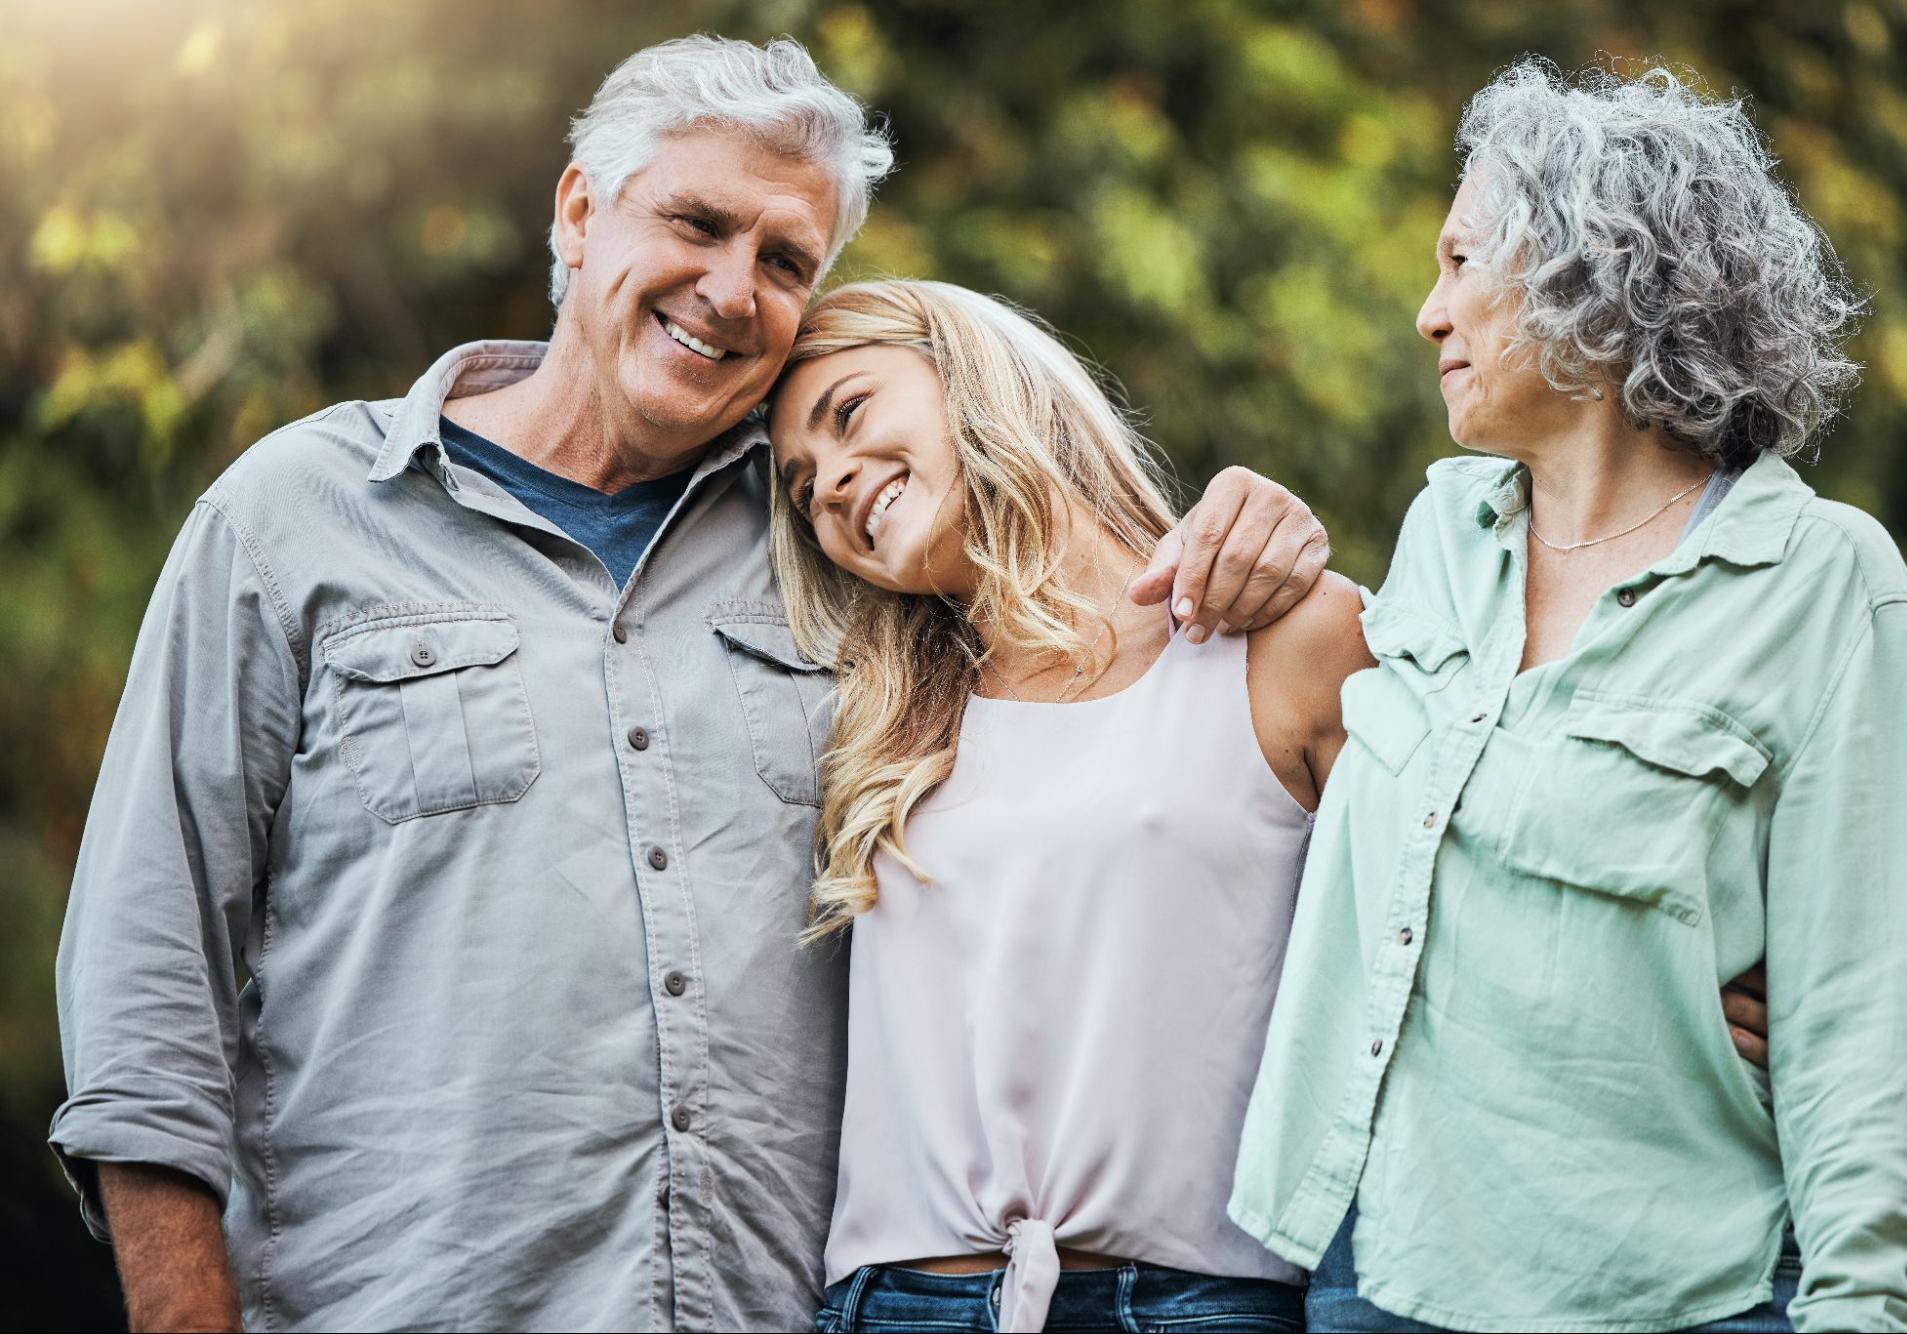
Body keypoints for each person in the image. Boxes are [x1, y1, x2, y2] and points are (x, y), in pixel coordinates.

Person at [48, 36, 1328, 1333]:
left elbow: (1075, 695)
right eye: (696, 223)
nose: (731, 289)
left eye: (785, 262)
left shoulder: (840, 557)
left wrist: (1251, 527)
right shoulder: (297, 517)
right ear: (578, 211)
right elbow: (147, 998)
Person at [763, 279, 1772, 1334]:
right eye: (799, 485)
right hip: (893, 1304)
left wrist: (1675, 979)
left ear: (972, 373)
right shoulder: (866, 717)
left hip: (1196, 1301)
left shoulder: (1285, 641)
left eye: (850, 413)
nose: (830, 480)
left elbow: (1480, 906)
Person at [1229, 58, 1907, 1334]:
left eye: (1461, 265)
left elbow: (1870, 1034)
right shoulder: (1440, 534)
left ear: (1590, 277)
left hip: (1675, 1290)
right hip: (1373, 1270)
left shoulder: (1827, 583)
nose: (1426, 314)